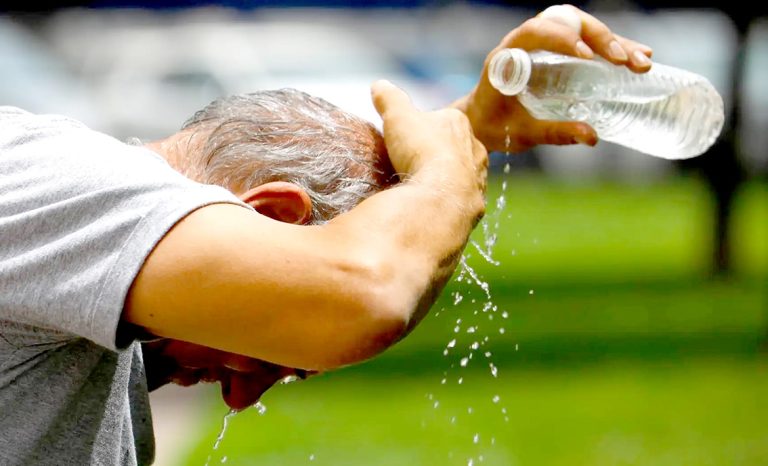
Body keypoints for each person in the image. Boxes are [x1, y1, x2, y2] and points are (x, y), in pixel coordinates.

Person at [0, 5, 652, 465]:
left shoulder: (74, 245)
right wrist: (446, 178)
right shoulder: (57, 182)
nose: (241, 396)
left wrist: (465, 130)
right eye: (274, 354)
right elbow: (363, 296)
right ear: (274, 217)